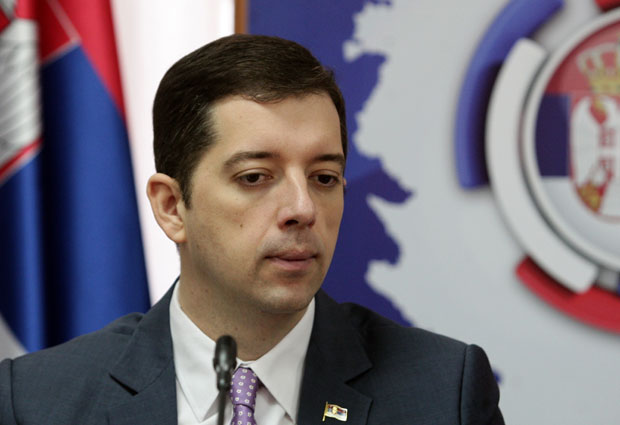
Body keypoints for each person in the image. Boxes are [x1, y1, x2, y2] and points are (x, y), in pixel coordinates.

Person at [0, 34, 504, 425]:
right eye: (255, 177)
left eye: (324, 178)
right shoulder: (36, 401)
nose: (303, 209)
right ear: (172, 206)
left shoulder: (442, 394)